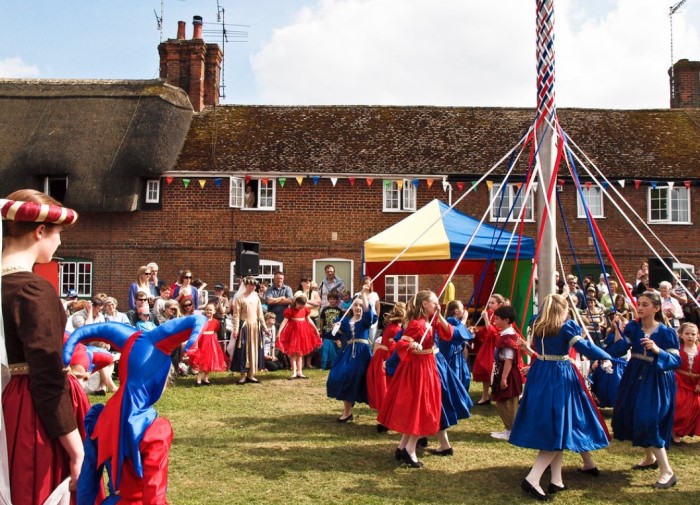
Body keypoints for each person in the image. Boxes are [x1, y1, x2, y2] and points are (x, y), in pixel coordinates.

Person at [1, 189, 90, 504]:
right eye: (58, 234)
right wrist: (77, 452)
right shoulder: (33, 290)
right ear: (40, 231)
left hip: (7, 404)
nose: (60, 243)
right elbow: (48, 379)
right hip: (35, 417)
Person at [509, 294, 613, 500]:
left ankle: (557, 480)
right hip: (559, 374)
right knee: (559, 425)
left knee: (558, 425)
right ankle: (533, 478)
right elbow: (585, 348)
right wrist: (608, 356)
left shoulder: (537, 324)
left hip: (541, 371)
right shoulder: (567, 327)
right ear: (562, 310)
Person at [609, 291, 681, 489]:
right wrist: (618, 330)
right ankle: (650, 458)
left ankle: (667, 471)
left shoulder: (667, 333)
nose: (640, 307)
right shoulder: (634, 327)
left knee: (648, 419)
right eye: (639, 304)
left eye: (645, 304)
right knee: (633, 414)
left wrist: (658, 350)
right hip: (634, 375)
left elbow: (676, 361)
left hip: (656, 379)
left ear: (656, 308)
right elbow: (617, 350)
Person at [377, 290, 451, 468]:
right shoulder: (417, 324)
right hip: (418, 369)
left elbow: (449, 333)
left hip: (426, 366)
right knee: (420, 408)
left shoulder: (430, 322)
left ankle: (403, 447)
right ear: (424, 304)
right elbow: (401, 343)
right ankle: (410, 450)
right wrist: (411, 344)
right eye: (434, 302)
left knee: (419, 407)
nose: (437, 305)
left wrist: (440, 316)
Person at [326, 284, 377, 423]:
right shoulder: (345, 321)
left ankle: (380, 412)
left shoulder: (365, 321)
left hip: (362, 353)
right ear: (351, 307)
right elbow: (334, 335)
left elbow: (369, 312)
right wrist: (336, 329)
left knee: (366, 379)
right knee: (341, 375)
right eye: (355, 305)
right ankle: (347, 411)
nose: (358, 308)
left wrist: (364, 295)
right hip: (348, 351)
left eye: (360, 305)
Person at [367, 302, 405, 431]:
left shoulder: (391, 326)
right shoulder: (397, 329)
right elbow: (394, 347)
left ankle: (385, 419)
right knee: (387, 389)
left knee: (384, 388)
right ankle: (385, 421)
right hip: (386, 358)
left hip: (381, 356)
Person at [489, 305, 523, 441]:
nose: (494, 322)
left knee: (508, 403)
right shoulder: (504, 334)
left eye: (497, 319)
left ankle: (511, 430)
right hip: (503, 371)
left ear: (506, 320)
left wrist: (504, 378)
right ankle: (509, 428)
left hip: (508, 374)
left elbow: (509, 359)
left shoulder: (509, 338)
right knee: (502, 402)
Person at [471, 294, 508, 405]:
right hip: (488, 346)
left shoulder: (503, 316)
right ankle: (485, 395)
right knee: (485, 369)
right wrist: (476, 331)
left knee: (496, 370)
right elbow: (486, 331)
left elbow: (494, 332)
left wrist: (486, 319)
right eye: (490, 302)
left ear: (499, 305)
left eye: (492, 303)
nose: (490, 305)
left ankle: (497, 394)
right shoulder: (491, 314)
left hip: (497, 346)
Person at [231, 276, 269, 384]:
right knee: (243, 350)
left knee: (254, 349)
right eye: (250, 285)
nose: (252, 287)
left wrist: (265, 328)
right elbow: (236, 315)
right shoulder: (240, 298)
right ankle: (243, 375)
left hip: (255, 327)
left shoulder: (256, 298)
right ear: (246, 285)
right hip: (244, 326)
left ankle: (251, 374)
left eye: (254, 285)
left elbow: (260, 314)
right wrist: (235, 329)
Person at [276, 295, 322, 379]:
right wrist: (279, 332)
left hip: (302, 333)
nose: (301, 308)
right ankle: (294, 372)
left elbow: (309, 319)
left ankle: (300, 372)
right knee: (293, 354)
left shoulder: (305, 310)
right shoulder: (290, 311)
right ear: (296, 303)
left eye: (303, 306)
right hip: (293, 333)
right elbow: (284, 321)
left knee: (300, 354)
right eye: (299, 306)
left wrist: (315, 329)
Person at [672, 322, 700, 443]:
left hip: (695, 385)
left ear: (697, 336)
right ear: (681, 335)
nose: (690, 336)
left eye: (693, 334)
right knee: (679, 403)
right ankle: (674, 432)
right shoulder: (677, 349)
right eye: (687, 334)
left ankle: (683, 430)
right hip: (679, 381)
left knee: (695, 407)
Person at [187, 303, 227, 386]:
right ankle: (199, 379)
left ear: (214, 311)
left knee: (209, 360)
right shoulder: (202, 320)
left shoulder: (216, 322)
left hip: (211, 342)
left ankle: (206, 378)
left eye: (210, 310)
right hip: (203, 341)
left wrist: (215, 342)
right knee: (202, 360)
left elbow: (215, 331)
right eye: (207, 309)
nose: (208, 311)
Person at [441, 300, 473, 392]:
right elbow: (456, 333)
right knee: (455, 377)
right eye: (462, 309)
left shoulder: (456, 321)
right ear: (456, 311)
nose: (464, 311)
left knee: (464, 376)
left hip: (457, 353)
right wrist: (464, 320)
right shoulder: (450, 320)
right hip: (450, 354)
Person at [295, 276, 322, 368]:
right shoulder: (299, 292)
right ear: (301, 283)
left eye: (309, 281)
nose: (308, 283)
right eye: (305, 281)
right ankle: (301, 363)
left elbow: (318, 303)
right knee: (302, 340)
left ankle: (308, 362)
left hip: (313, 319)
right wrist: (312, 304)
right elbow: (299, 305)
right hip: (302, 319)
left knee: (311, 341)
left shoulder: (314, 292)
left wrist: (306, 301)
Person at [319, 292, 344, 370]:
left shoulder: (339, 310)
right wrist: (321, 330)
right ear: (328, 300)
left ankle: (333, 364)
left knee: (335, 349)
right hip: (326, 331)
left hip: (336, 333)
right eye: (331, 299)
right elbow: (321, 320)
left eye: (334, 299)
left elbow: (341, 322)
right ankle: (323, 365)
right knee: (325, 349)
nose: (332, 301)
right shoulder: (325, 309)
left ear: (337, 300)